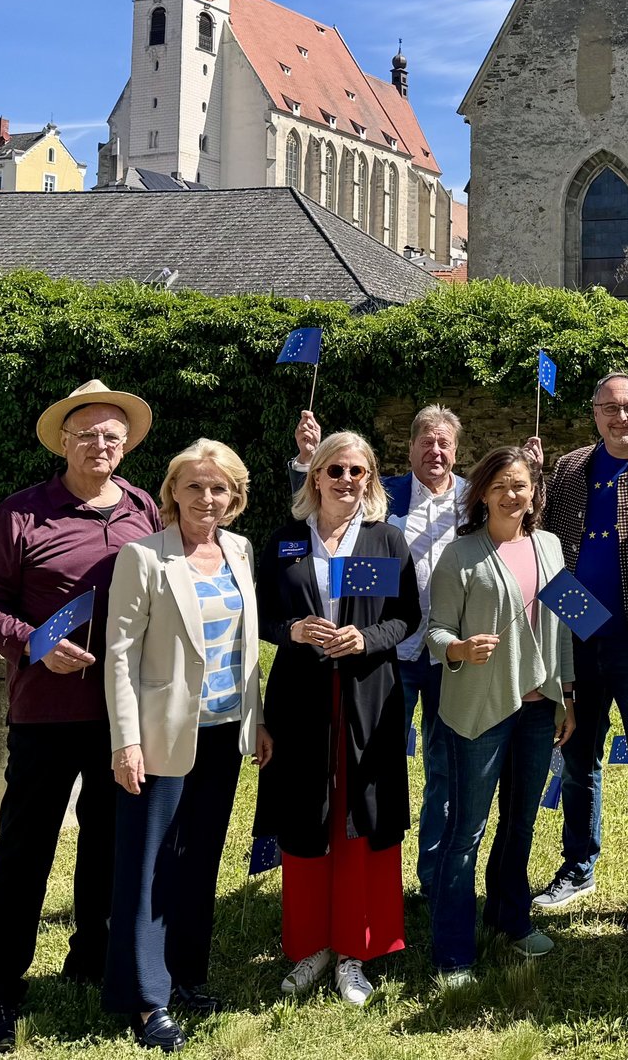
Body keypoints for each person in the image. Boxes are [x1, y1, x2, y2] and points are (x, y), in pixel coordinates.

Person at [0, 379, 161, 1055]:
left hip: (121, 715)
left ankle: (92, 961)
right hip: (46, 712)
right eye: (87, 435)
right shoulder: (22, 514)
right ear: (64, 443)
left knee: (109, 846)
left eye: (111, 435)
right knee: (25, 850)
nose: (99, 445)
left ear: (125, 445)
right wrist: (34, 645)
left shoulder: (144, 508)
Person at [102, 439, 266, 1052]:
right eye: (194, 486)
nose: (206, 498)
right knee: (148, 867)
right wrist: (126, 741)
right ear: (172, 491)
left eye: (219, 488)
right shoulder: (144, 557)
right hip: (160, 736)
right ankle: (147, 999)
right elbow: (119, 657)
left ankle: (186, 976)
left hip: (223, 733)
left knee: (199, 861)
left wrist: (257, 719)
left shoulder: (240, 551)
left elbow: (245, 648)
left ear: (235, 497)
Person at [256, 431, 421, 1009]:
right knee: (306, 814)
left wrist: (366, 638)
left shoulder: (386, 539)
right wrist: (293, 631)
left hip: (367, 695)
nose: (346, 480)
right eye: (335, 470)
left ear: (370, 478)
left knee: (360, 814)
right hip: (300, 697)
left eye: (357, 471)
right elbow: (263, 615)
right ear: (315, 476)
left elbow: (406, 617)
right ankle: (311, 945)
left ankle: (355, 948)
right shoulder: (285, 540)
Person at [526, 372, 628, 931]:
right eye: (610, 408)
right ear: (594, 413)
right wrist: (533, 479)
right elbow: (543, 550)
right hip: (577, 643)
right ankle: (577, 868)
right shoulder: (568, 469)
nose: (621, 418)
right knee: (577, 763)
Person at [423, 447, 577, 987]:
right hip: (479, 710)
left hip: (539, 708)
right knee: (466, 829)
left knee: (520, 823)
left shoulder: (550, 545)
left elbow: (565, 622)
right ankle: (452, 951)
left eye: (520, 485)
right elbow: (434, 632)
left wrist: (568, 696)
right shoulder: (460, 554)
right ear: (483, 494)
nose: (512, 494)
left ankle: (510, 916)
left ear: (534, 492)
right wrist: (459, 648)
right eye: (500, 486)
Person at [297, 403, 464, 898]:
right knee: (375, 762)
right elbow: (320, 519)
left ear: (456, 451)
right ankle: (372, 870)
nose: (435, 451)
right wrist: (307, 460)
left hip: (452, 654)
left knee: (445, 768)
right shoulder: (382, 495)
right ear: (409, 449)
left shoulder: (475, 498)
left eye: (444, 443)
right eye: (426, 442)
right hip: (390, 655)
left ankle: (433, 878)